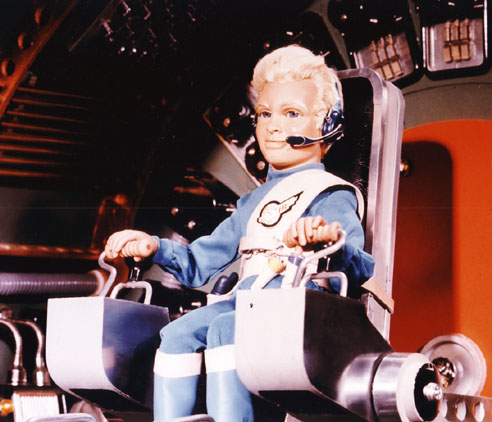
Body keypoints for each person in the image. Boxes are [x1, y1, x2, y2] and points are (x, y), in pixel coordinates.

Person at [105, 44, 375, 422]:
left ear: (326, 124)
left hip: (298, 311)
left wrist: (329, 243)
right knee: (177, 335)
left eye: (292, 113)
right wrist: (154, 248)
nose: (273, 126)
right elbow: (200, 263)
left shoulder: (330, 194)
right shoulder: (252, 203)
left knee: (224, 329)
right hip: (247, 304)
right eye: (265, 114)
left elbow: (362, 267)